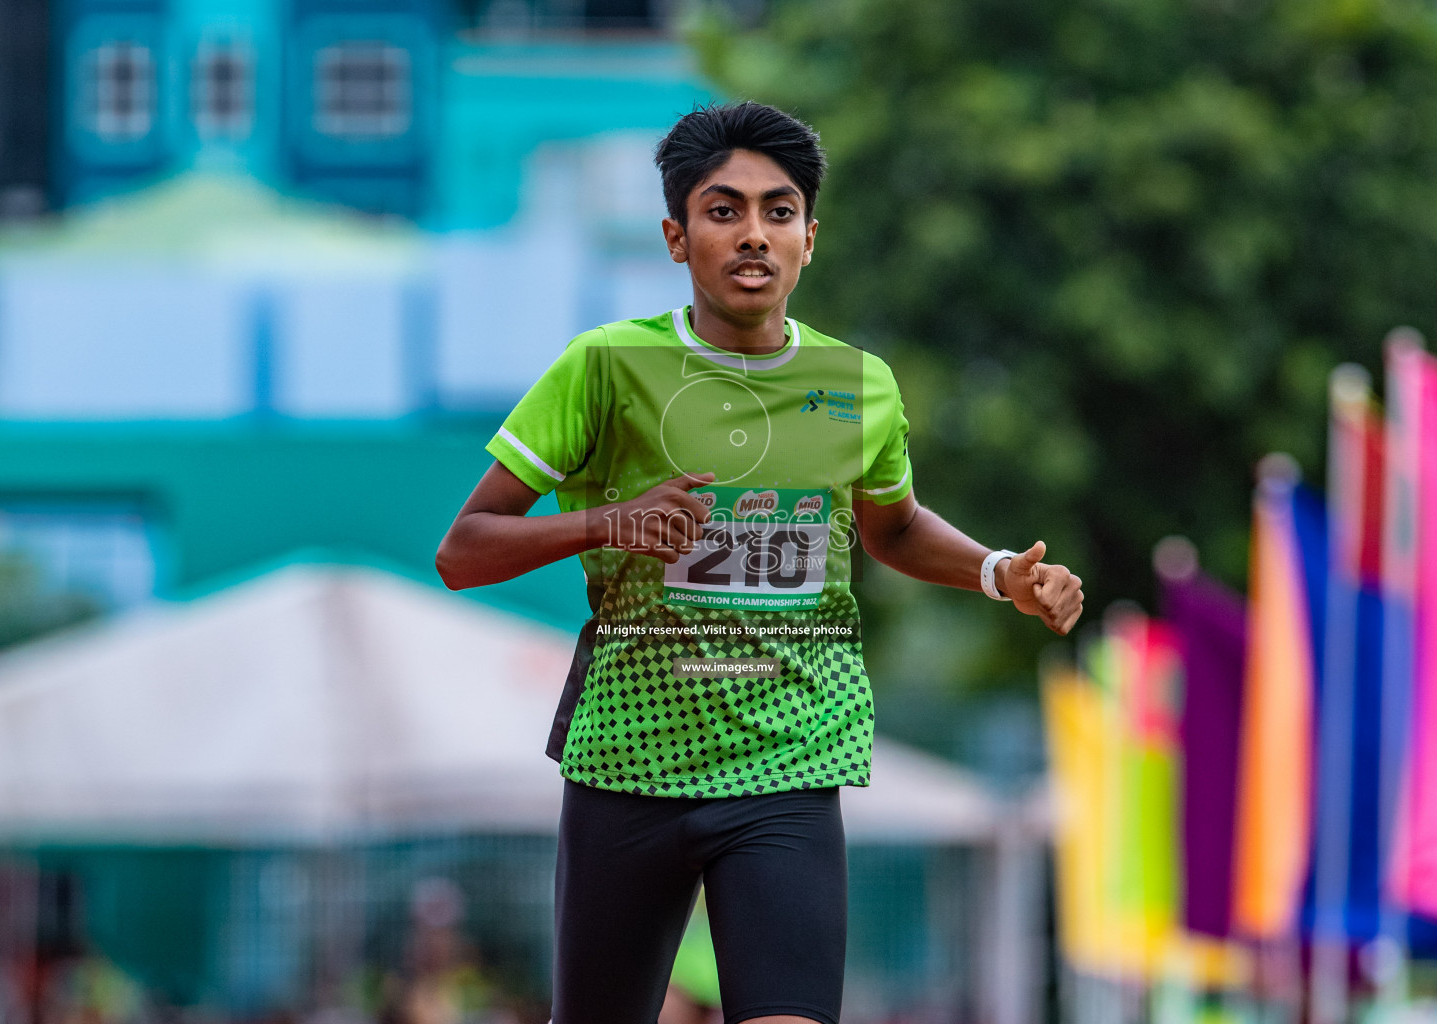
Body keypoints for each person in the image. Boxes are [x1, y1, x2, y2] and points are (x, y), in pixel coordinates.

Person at [435, 101, 1084, 1024]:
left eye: (778, 213)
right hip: (631, 764)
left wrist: (996, 572)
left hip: (788, 765)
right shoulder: (605, 367)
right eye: (723, 209)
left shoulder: (860, 384)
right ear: (675, 235)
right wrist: (609, 523)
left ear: (809, 240)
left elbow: (890, 530)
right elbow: (463, 552)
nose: (753, 235)